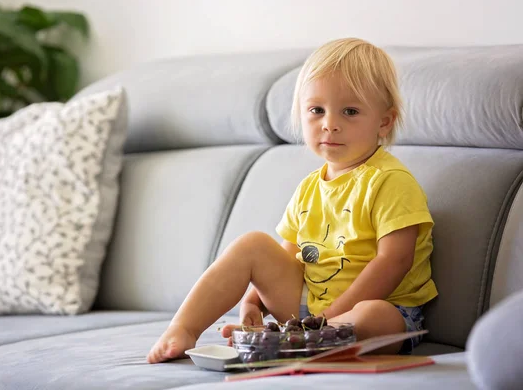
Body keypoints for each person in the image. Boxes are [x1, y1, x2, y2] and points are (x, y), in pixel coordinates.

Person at [147, 37, 438, 364]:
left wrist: (330, 317)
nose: (329, 123)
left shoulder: (390, 181)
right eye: (316, 110)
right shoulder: (308, 188)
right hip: (306, 312)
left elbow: (394, 262)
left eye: (350, 111)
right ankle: (184, 328)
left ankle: (296, 342)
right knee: (253, 245)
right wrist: (254, 303)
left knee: (373, 316)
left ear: (384, 122)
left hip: (380, 309)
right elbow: (290, 258)